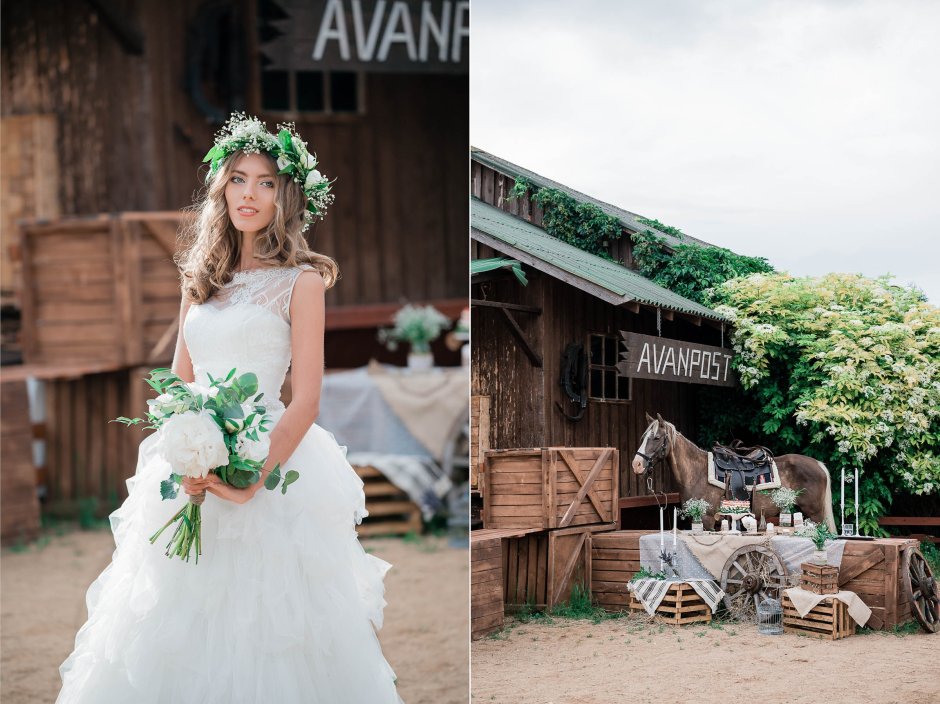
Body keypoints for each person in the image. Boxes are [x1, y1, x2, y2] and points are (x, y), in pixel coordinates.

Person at [55, 114, 404, 703]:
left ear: (285, 195)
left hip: (267, 466)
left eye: (266, 182)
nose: (249, 193)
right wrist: (185, 447)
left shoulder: (302, 283)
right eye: (239, 179)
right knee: (172, 624)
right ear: (222, 187)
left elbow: (307, 397)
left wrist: (251, 478)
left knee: (269, 630)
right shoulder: (200, 281)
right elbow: (176, 384)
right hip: (191, 472)